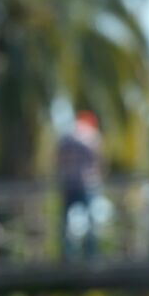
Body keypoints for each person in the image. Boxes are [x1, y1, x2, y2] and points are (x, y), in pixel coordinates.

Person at [56, 111, 103, 259]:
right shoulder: (92, 135)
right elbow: (99, 159)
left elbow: (57, 158)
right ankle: (91, 255)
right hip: (87, 184)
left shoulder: (65, 136)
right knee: (91, 222)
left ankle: (67, 256)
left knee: (66, 223)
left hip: (68, 183)